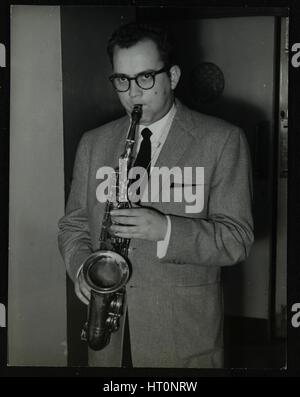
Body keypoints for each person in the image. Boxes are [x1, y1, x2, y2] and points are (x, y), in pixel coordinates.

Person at [58, 22, 254, 368]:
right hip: (109, 340)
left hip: (182, 337)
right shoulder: (93, 143)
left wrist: (165, 230)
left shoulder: (222, 140)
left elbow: (237, 239)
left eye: (145, 77)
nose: (134, 93)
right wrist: (80, 269)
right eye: (122, 80)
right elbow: (73, 225)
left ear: (173, 76)